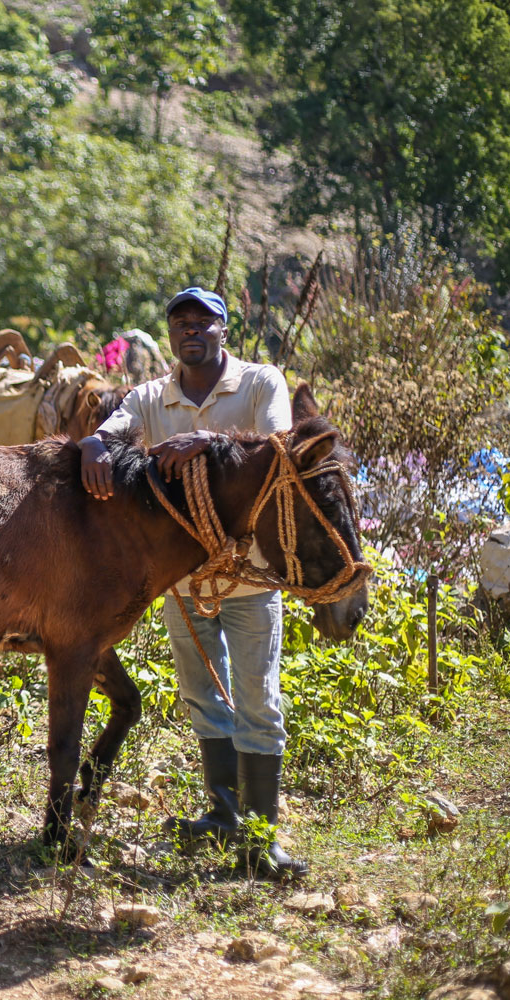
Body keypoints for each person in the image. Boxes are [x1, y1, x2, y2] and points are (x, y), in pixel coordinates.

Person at [78, 286, 305, 879]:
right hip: (184, 581)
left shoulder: (260, 384)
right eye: (181, 323)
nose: (191, 331)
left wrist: (208, 440)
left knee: (258, 700)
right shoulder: (154, 396)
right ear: (172, 334)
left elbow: (280, 447)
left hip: (251, 573)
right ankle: (224, 815)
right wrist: (94, 444)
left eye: (203, 322)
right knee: (204, 698)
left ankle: (262, 840)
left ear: (223, 329)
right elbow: (116, 427)